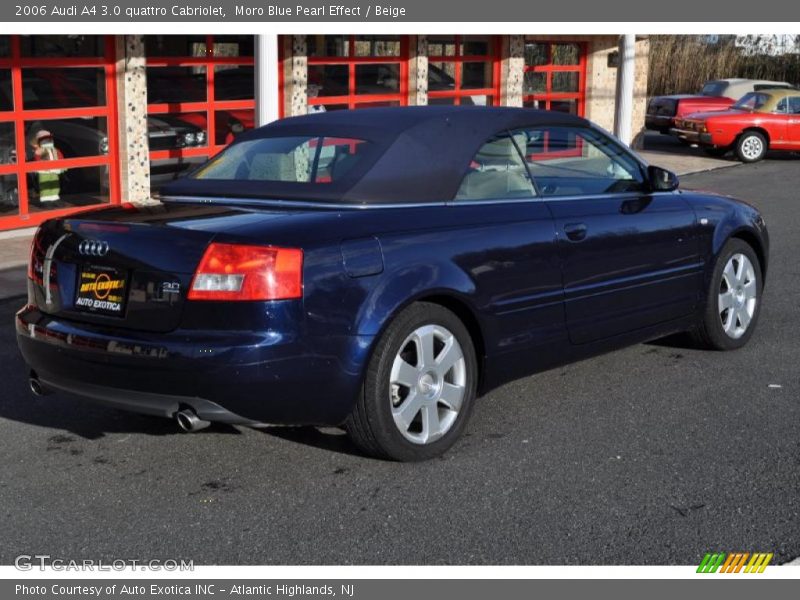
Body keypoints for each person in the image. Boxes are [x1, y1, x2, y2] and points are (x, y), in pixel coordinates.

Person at [30, 130, 65, 204]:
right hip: (44, 172)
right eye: (45, 139)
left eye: (49, 139)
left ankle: (54, 198)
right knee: (45, 185)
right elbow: (37, 159)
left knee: (55, 184)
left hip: (54, 170)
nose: (47, 141)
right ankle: (46, 200)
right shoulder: (40, 150)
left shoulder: (55, 150)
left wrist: (62, 166)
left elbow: (60, 157)